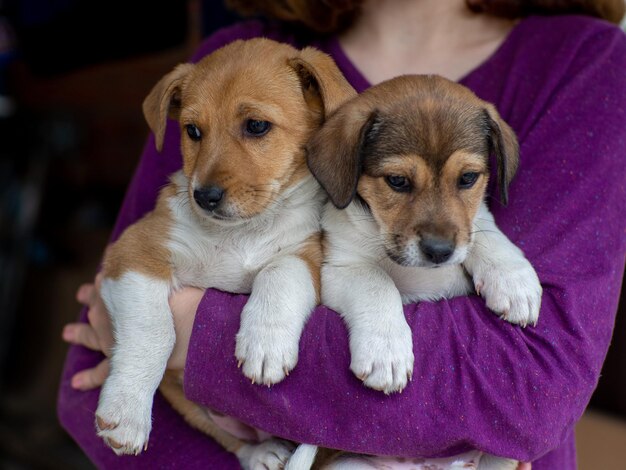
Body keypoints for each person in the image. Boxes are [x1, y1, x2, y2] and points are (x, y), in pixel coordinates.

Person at [58, 0, 626, 468]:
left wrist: (195, 338)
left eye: (257, 128)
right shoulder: (232, 64)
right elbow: (97, 363)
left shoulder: (586, 65)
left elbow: (526, 389)